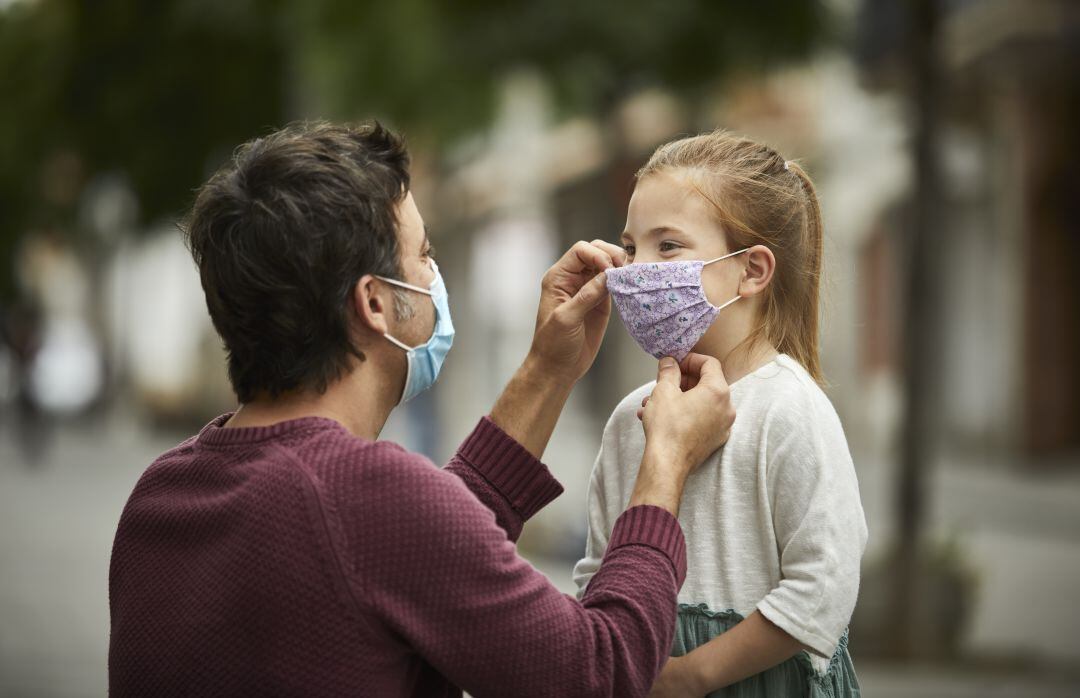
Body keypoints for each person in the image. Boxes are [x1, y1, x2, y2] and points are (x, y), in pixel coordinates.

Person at [107, 121, 736, 697]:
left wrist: (548, 368)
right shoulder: (367, 498)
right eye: (425, 255)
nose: (435, 276)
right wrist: (665, 466)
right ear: (376, 303)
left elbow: (418, 551)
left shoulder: (162, 494)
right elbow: (600, 671)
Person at [573, 131, 868, 697]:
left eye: (669, 246)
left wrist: (692, 676)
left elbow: (823, 587)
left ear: (752, 271)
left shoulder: (791, 409)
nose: (636, 270)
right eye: (630, 247)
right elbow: (595, 577)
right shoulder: (629, 418)